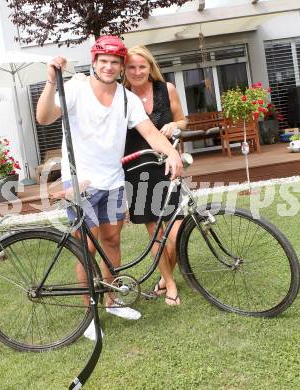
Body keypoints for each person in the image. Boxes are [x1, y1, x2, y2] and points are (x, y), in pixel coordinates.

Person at [36, 36, 182, 339]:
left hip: (113, 180)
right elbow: (44, 116)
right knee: (85, 248)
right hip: (80, 181)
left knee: (112, 241)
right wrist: (51, 82)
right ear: (95, 61)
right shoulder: (75, 87)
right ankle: (89, 314)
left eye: (115, 62)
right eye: (103, 60)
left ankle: (112, 300)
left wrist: (172, 152)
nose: (109, 66)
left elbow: (149, 131)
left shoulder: (126, 99)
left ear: (120, 66)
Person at [123, 45, 187, 306]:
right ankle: (169, 283)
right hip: (137, 170)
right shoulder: (120, 96)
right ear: (124, 70)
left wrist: (175, 124)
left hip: (166, 164)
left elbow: (184, 120)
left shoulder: (166, 89)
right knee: (155, 232)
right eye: (132, 67)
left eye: (142, 66)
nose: (137, 71)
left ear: (151, 67)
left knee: (177, 232)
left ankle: (164, 276)